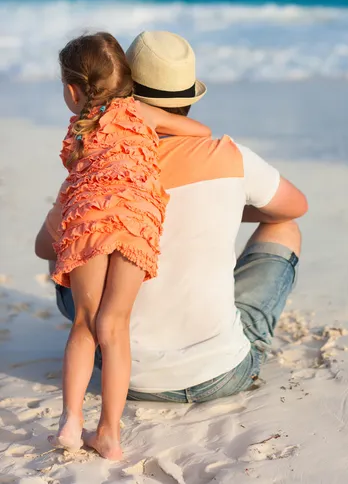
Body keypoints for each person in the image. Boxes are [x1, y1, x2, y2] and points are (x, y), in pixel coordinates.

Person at [35, 30, 307, 414]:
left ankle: (93, 338)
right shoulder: (226, 156)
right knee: (284, 227)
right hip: (219, 374)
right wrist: (225, 207)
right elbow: (295, 207)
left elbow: (45, 249)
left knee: (70, 239)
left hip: (124, 373)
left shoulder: (96, 166)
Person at [48, 32, 210, 460]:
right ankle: (109, 436)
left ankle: (69, 422)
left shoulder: (76, 128)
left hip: (90, 219)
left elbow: (75, 174)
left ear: (72, 90)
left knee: (84, 323)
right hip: (135, 219)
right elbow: (200, 130)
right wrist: (152, 127)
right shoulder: (140, 111)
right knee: (114, 327)